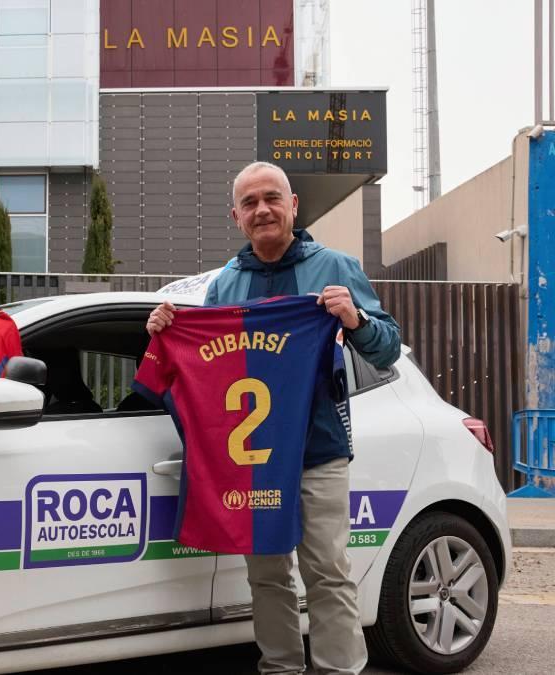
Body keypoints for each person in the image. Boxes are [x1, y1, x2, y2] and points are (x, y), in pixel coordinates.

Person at [145, 161, 401, 675]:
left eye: (272, 198)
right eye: (250, 203)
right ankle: (280, 668)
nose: (262, 209)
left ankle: (337, 670)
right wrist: (164, 330)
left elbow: (388, 348)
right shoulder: (225, 284)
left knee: (327, 572)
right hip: (254, 460)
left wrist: (355, 319)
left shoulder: (336, 267)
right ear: (236, 216)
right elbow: (204, 373)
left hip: (317, 451)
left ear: (292, 206)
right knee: (266, 575)